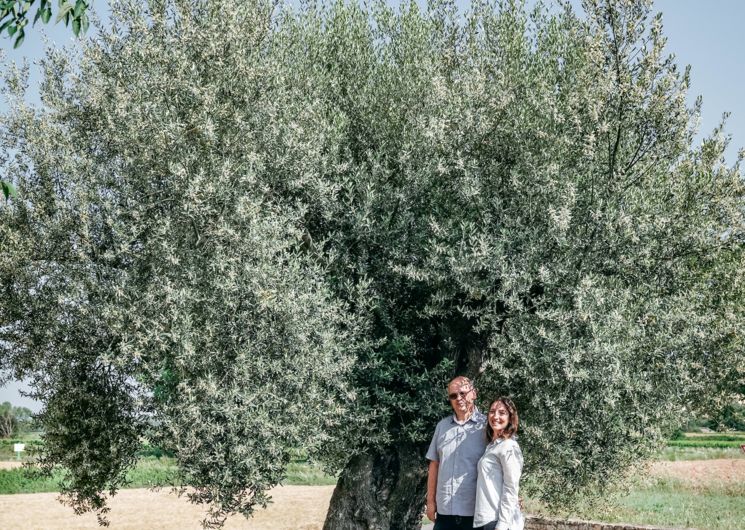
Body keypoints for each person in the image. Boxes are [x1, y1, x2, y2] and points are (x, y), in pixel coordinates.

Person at [426, 376, 487, 530]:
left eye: (463, 393)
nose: (458, 398)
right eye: (453, 396)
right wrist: (430, 502)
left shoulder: (487, 426)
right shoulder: (442, 426)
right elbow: (434, 464)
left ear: (474, 393)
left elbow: (505, 459)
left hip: (475, 514)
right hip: (445, 513)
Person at [473, 397, 524, 530]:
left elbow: (511, 488)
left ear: (510, 418)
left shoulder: (509, 446)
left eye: (502, 413)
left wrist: (502, 525)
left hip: (498, 521)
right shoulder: (492, 446)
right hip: (486, 520)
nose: (495, 416)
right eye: (492, 411)